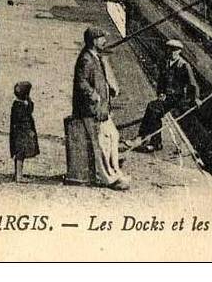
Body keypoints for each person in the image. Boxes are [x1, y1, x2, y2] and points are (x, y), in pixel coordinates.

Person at [72, 27, 129, 189]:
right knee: (101, 143)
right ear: (94, 41)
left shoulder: (95, 57)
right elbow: (82, 82)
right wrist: (94, 95)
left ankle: (115, 171)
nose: (105, 41)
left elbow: (98, 79)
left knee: (113, 136)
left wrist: (109, 88)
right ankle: (108, 179)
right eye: (102, 38)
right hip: (91, 110)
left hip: (101, 109)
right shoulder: (86, 59)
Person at [133, 39, 200, 153]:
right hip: (167, 97)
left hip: (178, 98)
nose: (171, 52)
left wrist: (196, 98)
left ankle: (152, 141)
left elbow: (192, 84)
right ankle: (144, 138)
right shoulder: (165, 62)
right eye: (169, 50)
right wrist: (160, 93)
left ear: (179, 51)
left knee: (154, 110)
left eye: (174, 50)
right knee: (152, 108)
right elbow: (161, 81)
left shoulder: (183, 65)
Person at [10, 81, 39, 182]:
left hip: (18, 134)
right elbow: (25, 119)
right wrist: (30, 131)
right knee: (20, 155)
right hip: (22, 135)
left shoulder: (17, 104)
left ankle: (18, 174)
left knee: (19, 155)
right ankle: (19, 176)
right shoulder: (21, 106)